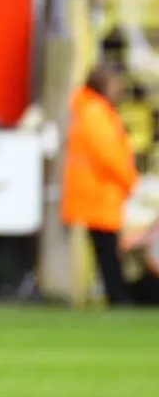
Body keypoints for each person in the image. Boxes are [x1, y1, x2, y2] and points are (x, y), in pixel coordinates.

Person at [61, 63, 138, 306]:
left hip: (98, 192)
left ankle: (117, 295)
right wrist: (130, 180)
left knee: (106, 248)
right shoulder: (96, 112)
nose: (119, 89)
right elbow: (109, 154)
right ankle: (118, 297)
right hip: (100, 192)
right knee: (107, 249)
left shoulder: (91, 110)